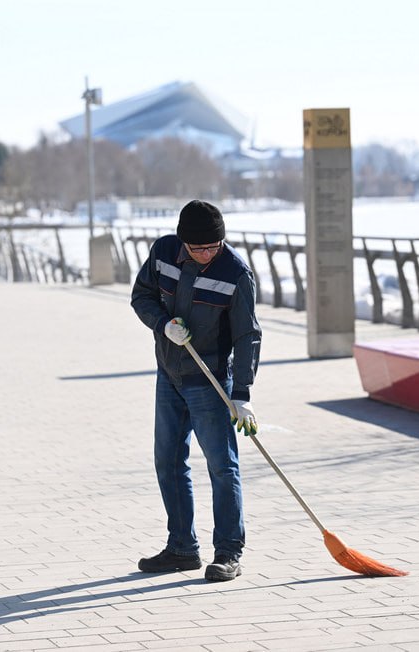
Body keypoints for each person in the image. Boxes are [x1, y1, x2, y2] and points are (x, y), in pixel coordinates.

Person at [131, 199, 261, 582]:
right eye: (198, 247)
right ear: (183, 241)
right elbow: (142, 296)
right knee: (168, 462)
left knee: (222, 467)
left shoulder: (236, 273)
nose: (206, 254)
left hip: (212, 382)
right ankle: (182, 548)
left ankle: (228, 552)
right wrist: (162, 323)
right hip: (169, 374)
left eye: (213, 247)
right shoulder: (163, 252)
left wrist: (243, 395)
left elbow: (247, 335)